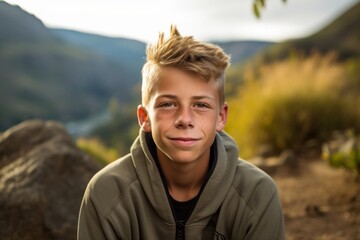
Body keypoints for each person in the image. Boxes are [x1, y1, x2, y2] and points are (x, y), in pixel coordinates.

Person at [77, 25, 285, 240]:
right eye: (168, 104)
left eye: (201, 105)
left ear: (221, 117)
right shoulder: (106, 194)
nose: (185, 119)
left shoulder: (257, 194)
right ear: (144, 118)